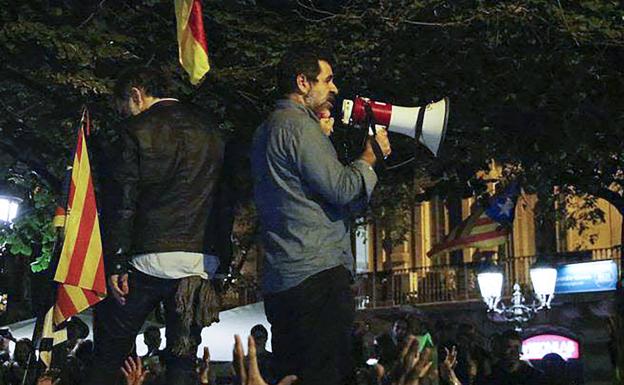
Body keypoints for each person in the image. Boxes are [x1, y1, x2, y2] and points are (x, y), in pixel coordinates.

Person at [251, 49, 391, 385]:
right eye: (327, 80)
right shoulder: (299, 127)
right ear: (302, 82)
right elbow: (342, 189)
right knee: (326, 372)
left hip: (283, 277)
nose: (335, 88)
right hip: (317, 275)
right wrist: (369, 158)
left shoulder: (266, 130)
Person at [87, 67, 229, 385]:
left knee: (112, 352)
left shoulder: (134, 131)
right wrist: (222, 260)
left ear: (136, 94)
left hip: (144, 259)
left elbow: (123, 202)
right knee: (183, 356)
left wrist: (117, 259)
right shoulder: (212, 131)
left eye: (123, 106)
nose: (123, 114)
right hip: (197, 262)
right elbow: (224, 199)